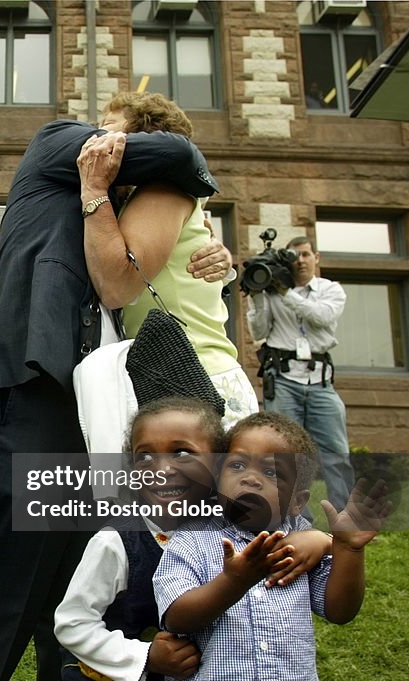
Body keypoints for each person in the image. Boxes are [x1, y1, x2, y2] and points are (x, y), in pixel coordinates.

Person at [0, 114, 230, 681]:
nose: (107, 137)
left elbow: (150, 268)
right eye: (110, 128)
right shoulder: (56, 144)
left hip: (100, 409)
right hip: (35, 390)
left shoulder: (117, 210)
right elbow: (176, 152)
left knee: (79, 589)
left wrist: (211, 248)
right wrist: (172, 174)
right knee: (9, 583)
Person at [55, 399, 332, 681]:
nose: (162, 468)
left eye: (182, 453)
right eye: (144, 456)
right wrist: (145, 656)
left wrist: (322, 539)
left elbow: (291, 524)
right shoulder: (116, 542)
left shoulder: (231, 526)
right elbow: (72, 623)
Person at [153, 412, 390, 681]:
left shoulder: (302, 544)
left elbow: (340, 610)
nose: (250, 478)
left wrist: (348, 549)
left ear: (296, 502)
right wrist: (234, 581)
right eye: (237, 466)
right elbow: (178, 616)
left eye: (271, 472)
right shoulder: (191, 540)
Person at [79, 92, 259, 429]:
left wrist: (93, 192)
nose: (94, 139)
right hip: (176, 378)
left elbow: (117, 286)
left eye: (107, 128)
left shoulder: (164, 191)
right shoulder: (150, 200)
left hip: (195, 382)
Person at [246, 234, 355, 511]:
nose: (302, 261)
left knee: (336, 453)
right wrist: (258, 296)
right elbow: (258, 332)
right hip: (283, 380)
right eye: (296, 256)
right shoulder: (273, 291)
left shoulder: (331, 289)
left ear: (316, 257)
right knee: (284, 454)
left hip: (320, 382)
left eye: (307, 254)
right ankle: (296, 521)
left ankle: (346, 521)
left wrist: (286, 293)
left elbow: (322, 317)